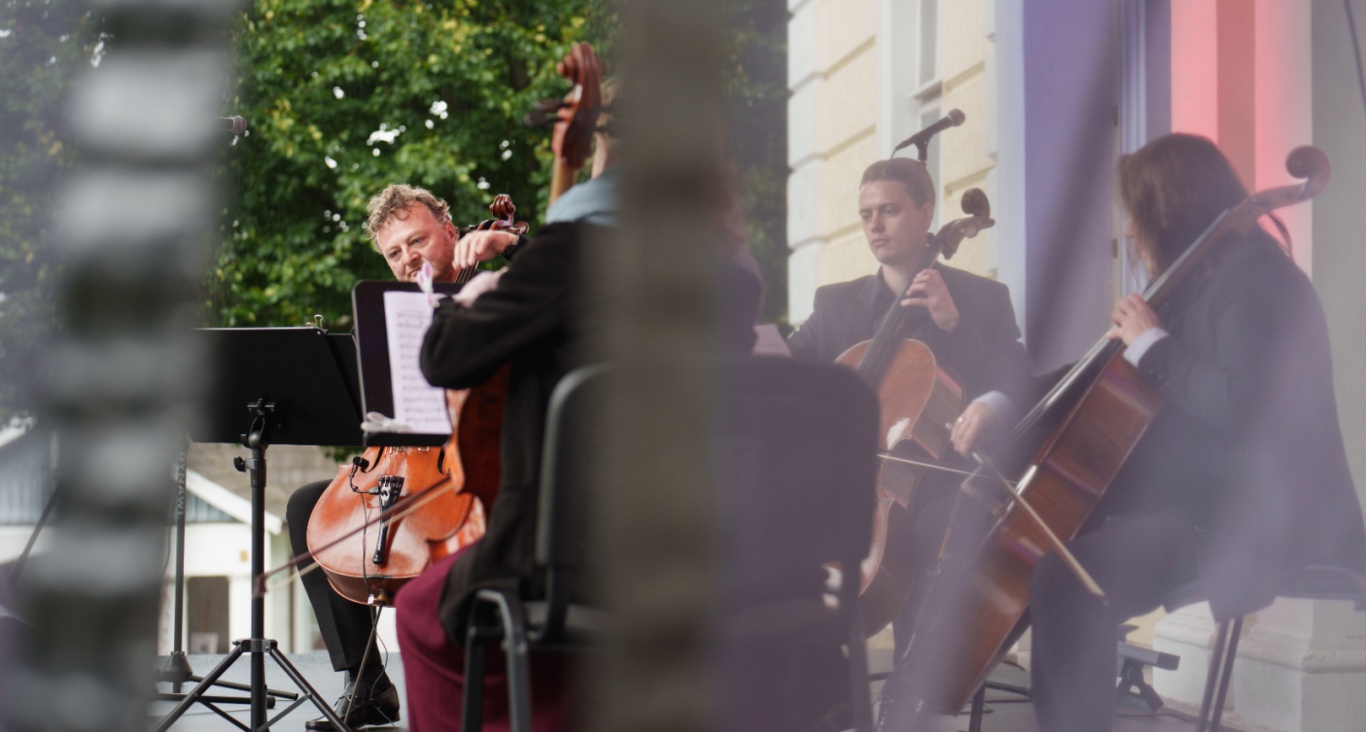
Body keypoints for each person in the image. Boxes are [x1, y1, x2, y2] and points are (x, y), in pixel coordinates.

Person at [1020, 133, 1366, 731]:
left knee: (1067, 581)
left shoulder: (1260, 281)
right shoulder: (1196, 283)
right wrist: (1006, 408)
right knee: (1063, 561)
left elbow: (1246, 410)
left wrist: (1153, 346)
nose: (1129, 233)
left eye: (1135, 215)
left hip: (1260, 516)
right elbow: (1097, 370)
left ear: (1168, 210)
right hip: (1206, 504)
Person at [285, 184, 523, 731]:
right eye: (394, 252)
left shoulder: (496, 290)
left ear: (450, 228)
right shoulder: (392, 315)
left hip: (475, 469)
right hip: (405, 465)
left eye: (416, 240)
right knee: (306, 508)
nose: (407, 258)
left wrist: (505, 246)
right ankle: (365, 683)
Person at [786, 157, 1030, 650]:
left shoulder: (982, 298)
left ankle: (917, 697)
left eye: (889, 211)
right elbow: (786, 368)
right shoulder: (835, 304)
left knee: (932, 538)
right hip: (847, 483)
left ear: (926, 213)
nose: (874, 226)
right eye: (866, 214)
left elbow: (1019, 383)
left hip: (941, 482)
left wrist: (952, 327)